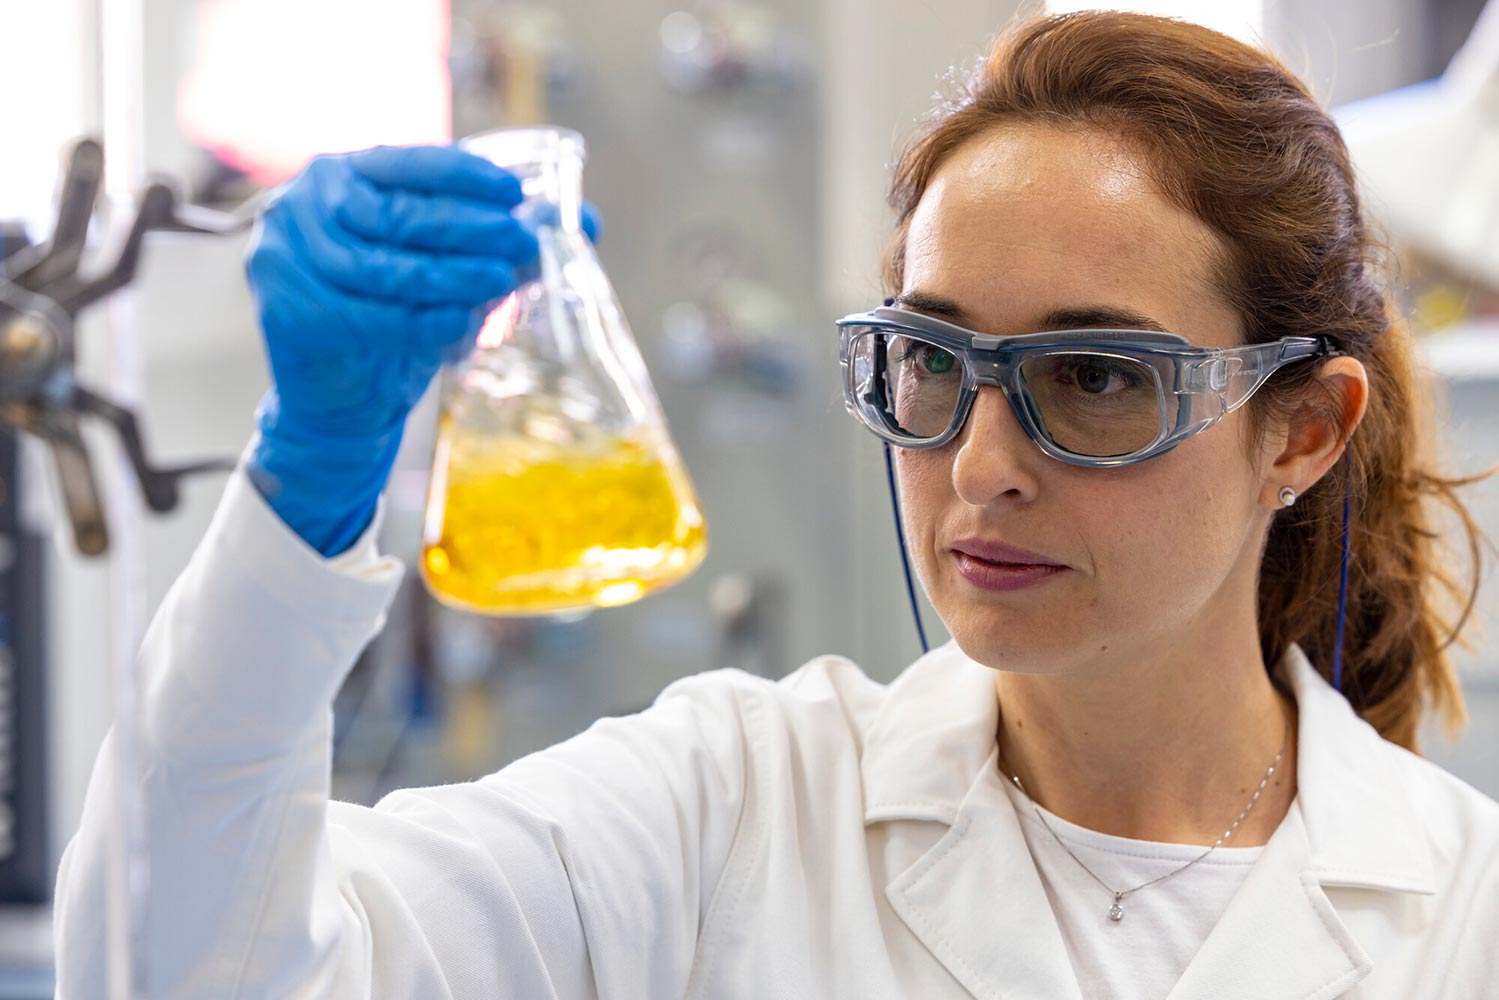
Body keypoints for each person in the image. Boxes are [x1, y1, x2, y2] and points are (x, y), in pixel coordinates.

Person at [53, 11, 1499, 999]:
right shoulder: (732, 807)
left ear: (1301, 429)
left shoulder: (1463, 912)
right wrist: (305, 487)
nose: (983, 460)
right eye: (929, 362)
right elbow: (190, 971)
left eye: (1096, 377)